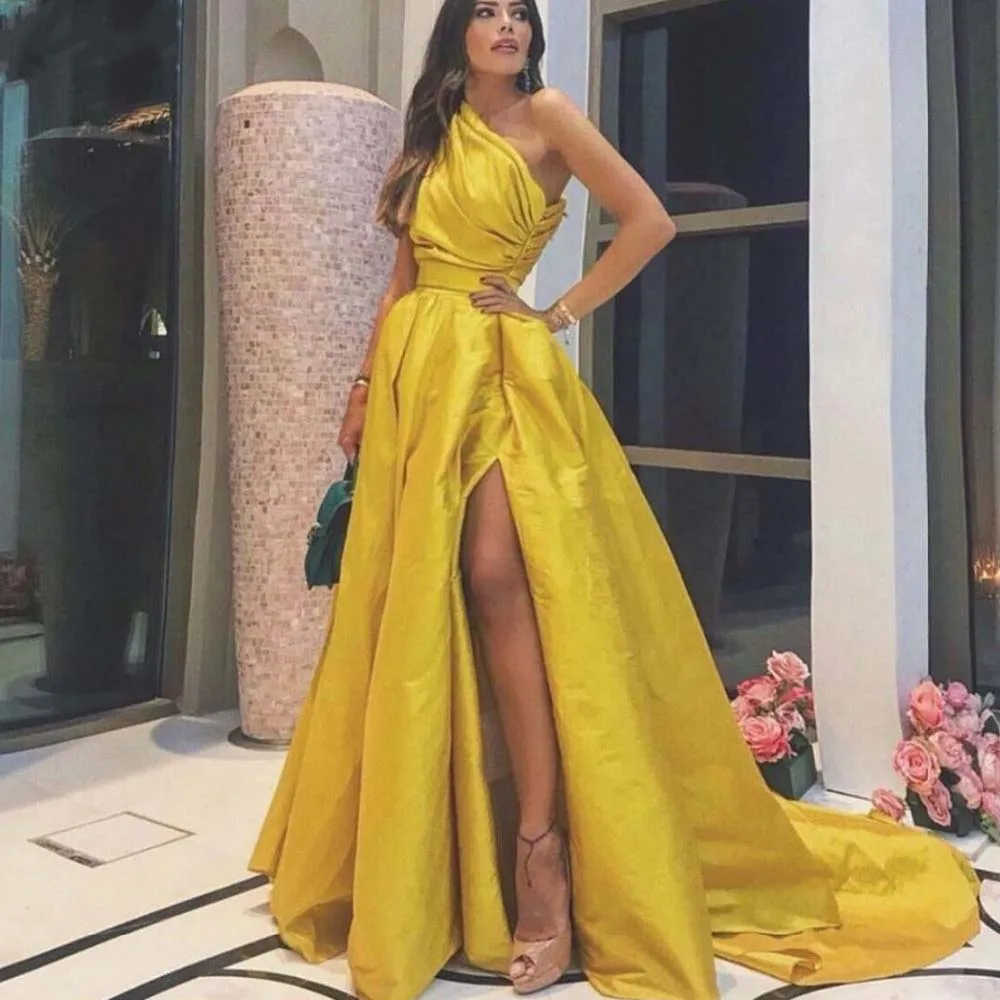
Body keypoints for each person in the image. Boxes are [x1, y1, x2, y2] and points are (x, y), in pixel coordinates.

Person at [250, 1, 980, 998]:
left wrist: (554, 310)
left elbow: (648, 220)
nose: (507, 26)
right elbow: (402, 276)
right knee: (417, 605)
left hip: (499, 370)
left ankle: (541, 851)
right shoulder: (431, 131)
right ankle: (431, 851)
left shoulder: (550, 116)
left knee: (495, 575)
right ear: (458, 30)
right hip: (419, 379)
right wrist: (364, 386)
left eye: (520, 13)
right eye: (487, 11)